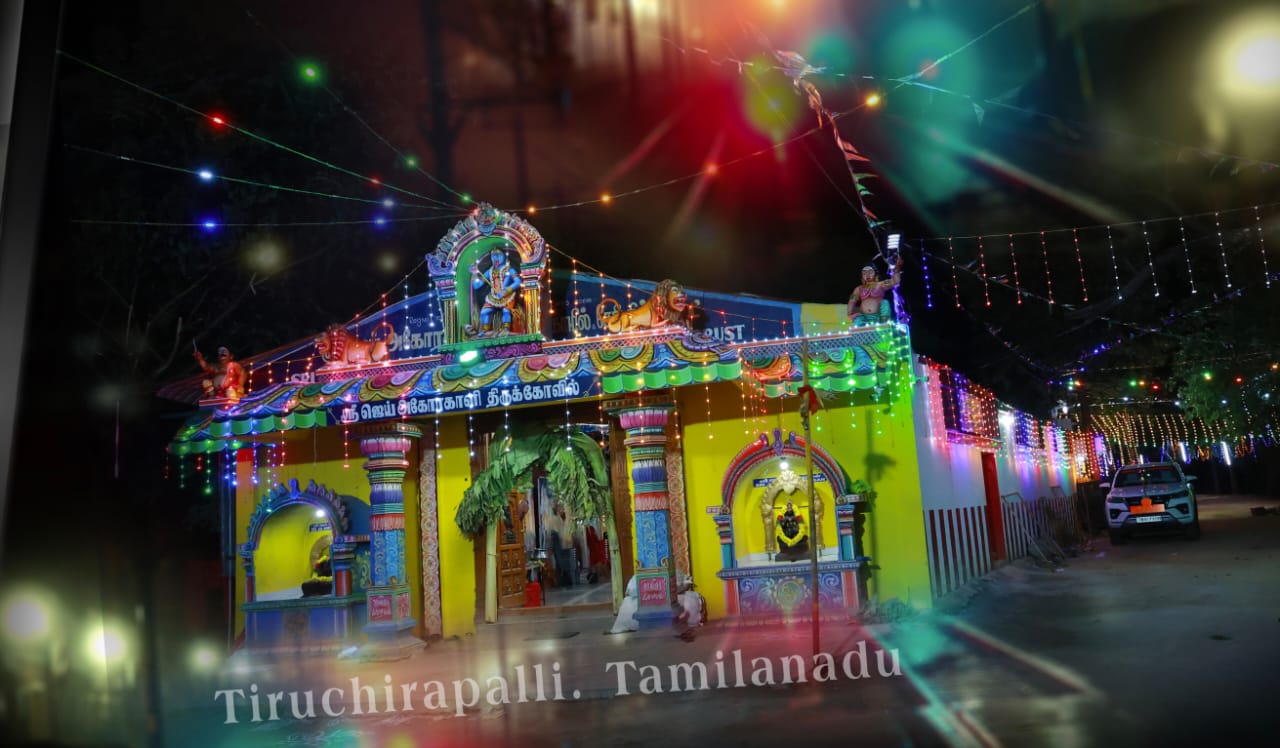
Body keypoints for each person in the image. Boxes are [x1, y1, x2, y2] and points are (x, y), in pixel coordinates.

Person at [469, 246, 522, 335]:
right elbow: (477, 286)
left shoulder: (509, 269)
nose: (495, 258)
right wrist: (474, 274)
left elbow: (518, 282)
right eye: (493, 256)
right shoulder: (489, 271)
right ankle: (485, 330)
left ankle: (506, 329)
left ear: (504, 256)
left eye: (498, 255)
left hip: (507, 296)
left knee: (506, 311)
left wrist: (507, 290)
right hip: (493, 297)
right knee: (484, 312)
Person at [847, 257, 903, 326]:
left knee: (885, 302)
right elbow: (852, 301)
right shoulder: (859, 289)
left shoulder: (881, 284)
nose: (867, 275)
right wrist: (850, 313)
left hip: (879, 317)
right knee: (858, 319)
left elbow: (895, 281)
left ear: (875, 274)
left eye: (870, 272)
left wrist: (897, 268)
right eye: (865, 273)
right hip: (864, 317)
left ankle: (883, 323)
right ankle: (863, 328)